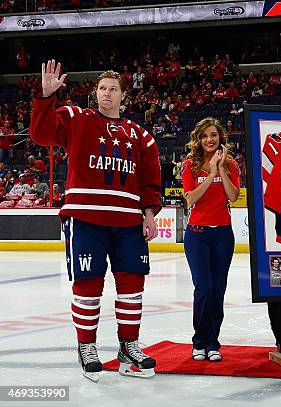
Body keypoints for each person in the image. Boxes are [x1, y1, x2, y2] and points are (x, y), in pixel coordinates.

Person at [30, 60, 162, 382]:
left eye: (113, 89)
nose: (107, 93)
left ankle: (128, 345)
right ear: (96, 93)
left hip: (129, 220)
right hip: (85, 217)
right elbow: (41, 134)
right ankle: (86, 346)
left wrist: (148, 214)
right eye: (102, 88)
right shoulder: (77, 118)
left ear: (123, 96)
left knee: (132, 286)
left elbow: (150, 179)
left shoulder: (141, 136)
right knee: (88, 285)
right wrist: (47, 98)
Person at [181, 118, 239, 362]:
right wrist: (211, 172)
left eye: (213, 135)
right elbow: (191, 199)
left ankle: (213, 343)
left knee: (218, 290)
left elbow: (234, 196)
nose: (210, 139)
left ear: (220, 138)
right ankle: (199, 341)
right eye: (205, 135)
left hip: (223, 235)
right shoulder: (189, 165)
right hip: (197, 235)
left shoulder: (232, 164)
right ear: (199, 139)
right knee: (203, 288)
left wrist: (222, 169)